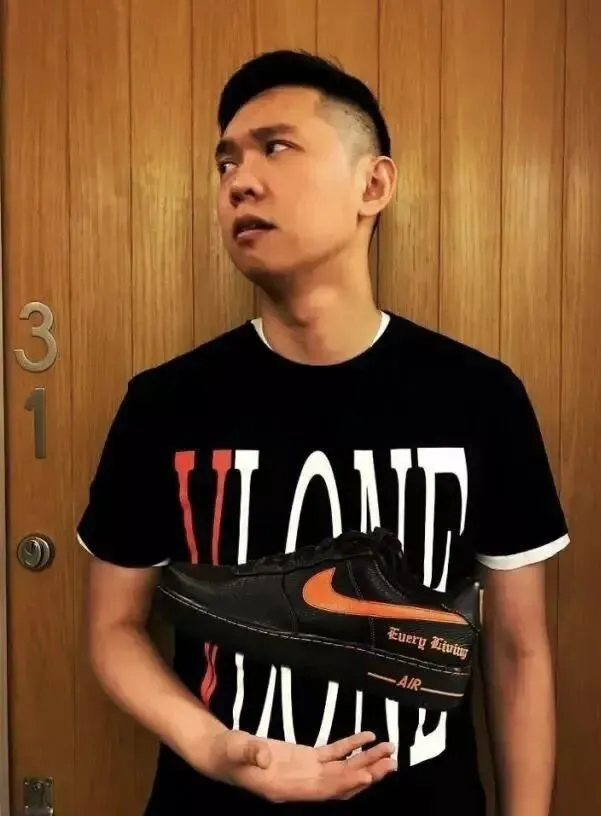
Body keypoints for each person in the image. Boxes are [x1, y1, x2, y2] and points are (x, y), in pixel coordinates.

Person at [77, 49, 569, 815]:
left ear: (374, 185)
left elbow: (518, 649)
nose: (239, 181)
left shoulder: (480, 398)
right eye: (226, 162)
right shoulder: (165, 404)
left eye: (276, 148)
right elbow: (113, 627)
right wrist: (217, 748)